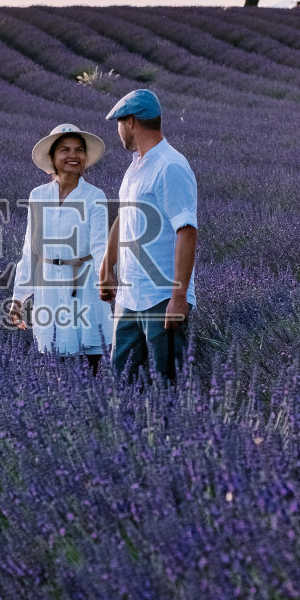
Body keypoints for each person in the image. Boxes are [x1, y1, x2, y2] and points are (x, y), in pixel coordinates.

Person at [98, 89, 197, 382]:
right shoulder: (136, 166)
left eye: (119, 123)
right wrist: (107, 267)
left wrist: (178, 297)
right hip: (129, 297)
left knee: (167, 386)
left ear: (130, 122)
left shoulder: (170, 166)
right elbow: (124, 218)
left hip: (160, 298)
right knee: (121, 382)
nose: (118, 131)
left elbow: (187, 231)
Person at [9, 123, 112, 372]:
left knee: (92, 359)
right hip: (50, 285)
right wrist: (18, 297)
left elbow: (100, 245)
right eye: (65, 149)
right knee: (54, 361)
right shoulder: (38, 195)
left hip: (85, 284)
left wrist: (107, 283)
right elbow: (30, 249)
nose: (72, 155)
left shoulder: (94, 195)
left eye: (78, 150)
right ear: (53, 158)